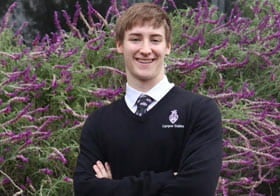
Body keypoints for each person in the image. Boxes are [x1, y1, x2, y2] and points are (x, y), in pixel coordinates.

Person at [74, 2, 223, 196]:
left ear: (168, 46)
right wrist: (167, 179)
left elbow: (196, 189)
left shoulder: (200, 112)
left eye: (155, 40)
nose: (145, 49)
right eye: (135, 39)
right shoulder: (98, 123)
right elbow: (85, 190)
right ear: (120, 45)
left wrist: (110, 188)